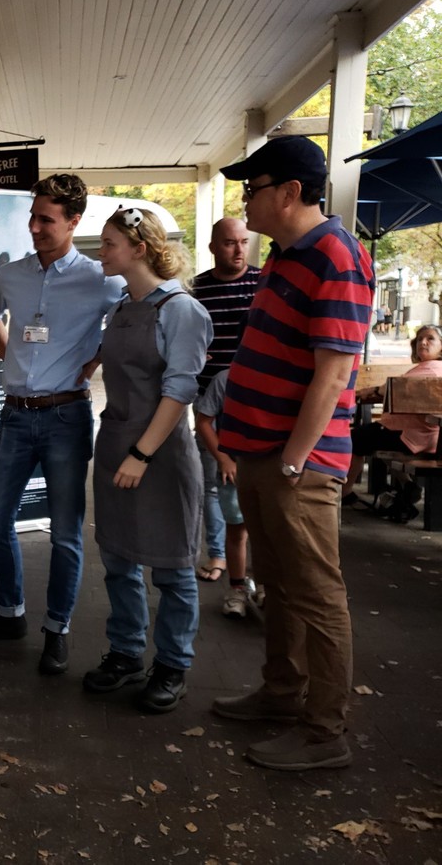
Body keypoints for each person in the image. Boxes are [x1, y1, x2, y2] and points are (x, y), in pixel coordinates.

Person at [212, 135, 374, 771]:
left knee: (315, 592)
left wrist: (292, 460)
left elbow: (334, 376)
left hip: (293, 463)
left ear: (289, 193)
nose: (244, 201)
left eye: (252, 189)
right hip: (261, 454)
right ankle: (282, 695)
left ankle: (324, 730)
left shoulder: (337, 256)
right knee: (276, 583)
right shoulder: (286, 257)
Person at [0, 174, 125, 677]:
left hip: (67, 417)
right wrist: (13, 358)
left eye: (46, 220)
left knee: (66, 535)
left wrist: (93, 363)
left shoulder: (102, 279)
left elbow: (128, 327)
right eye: (32, 217)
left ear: (74, 222)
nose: (33, 227)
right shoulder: (12, 274)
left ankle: (58, 629)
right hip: (15, 416)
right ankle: (10, 614)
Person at [81, 207, 211, 713]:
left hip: (159, 455)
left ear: (139, 249)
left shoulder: (181, 311)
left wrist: (141, 453)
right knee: (118, 560)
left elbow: (179, 392)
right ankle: (126, 652)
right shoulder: (122, 306)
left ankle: (173, 663)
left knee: (174, 569)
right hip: (116, 445)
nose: (101, 252)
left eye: (109, 243)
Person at [191, 218, 261, 584]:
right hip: (209, 402)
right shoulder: (197, 288)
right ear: (214, 247)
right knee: (215, 481)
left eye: (243, 242)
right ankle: (219, 555)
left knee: (253, 484)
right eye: (230, 243)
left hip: (253, 402)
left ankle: (252, 566)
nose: (238, 250)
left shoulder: (262, 282)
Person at [341, 323, 442, 517]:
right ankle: (407, 484)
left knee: (353, 439)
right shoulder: (430, 368)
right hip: (430, 436)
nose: (423, 342)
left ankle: (345, 492)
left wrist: (370, 391)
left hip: (410, 435)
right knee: (375, 440)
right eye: (420, 339)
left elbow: (396, 389)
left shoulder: (431, 370)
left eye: (430, 339)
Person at [194, 363, 251, 618]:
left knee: (266, 534)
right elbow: (204, 420)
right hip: (234, 471)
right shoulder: (227, 379)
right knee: (237, 531)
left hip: (267, 469)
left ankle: (263, 587)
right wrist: (224, 459)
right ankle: (237, 587)